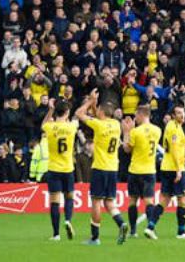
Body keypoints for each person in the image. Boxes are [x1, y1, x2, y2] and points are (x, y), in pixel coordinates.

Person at [75, 90, 128, 246]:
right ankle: (121, 224)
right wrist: (94, 104)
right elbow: (95, 115)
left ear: (102, 112)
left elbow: (79, 113)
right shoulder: (116, 125)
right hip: (113, 168)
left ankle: (95, 237)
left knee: (96, 202)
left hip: (100, 167)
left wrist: (89, 101)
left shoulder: (98, 125)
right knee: (109, 201)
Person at [146, 106, 185, 239]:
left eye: (183, 112)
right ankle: (182, 231)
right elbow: (174, 148)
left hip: (167, 167)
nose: (182, 115)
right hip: (175, 168)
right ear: (173, 115)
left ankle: (150, 227)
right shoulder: (173, 127)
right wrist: (179, 169)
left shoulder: (176, 127)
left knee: (165, 199)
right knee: (182, 199)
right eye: (179, 113)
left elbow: (177, 146)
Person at [122, 104, 162, 239]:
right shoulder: (157, 130)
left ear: (141, 114)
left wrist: (126, 132)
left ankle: (133, 231)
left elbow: (127, 149)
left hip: (135, 170)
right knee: (149, 200)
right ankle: (151, 227)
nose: (135, 118)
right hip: (150, 170)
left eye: (136, 115)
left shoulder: (135, 132)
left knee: (133, 201)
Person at [41, 98, 78, 241]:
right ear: (67, 112)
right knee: (69, 197)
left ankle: (56, 234)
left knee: (54, 202)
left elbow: (43, 124)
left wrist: (50, 109)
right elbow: (76, 119)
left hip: (53, 169)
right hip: (68, 168)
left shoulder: (50, 127)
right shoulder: (72, 127)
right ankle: (68, 219)